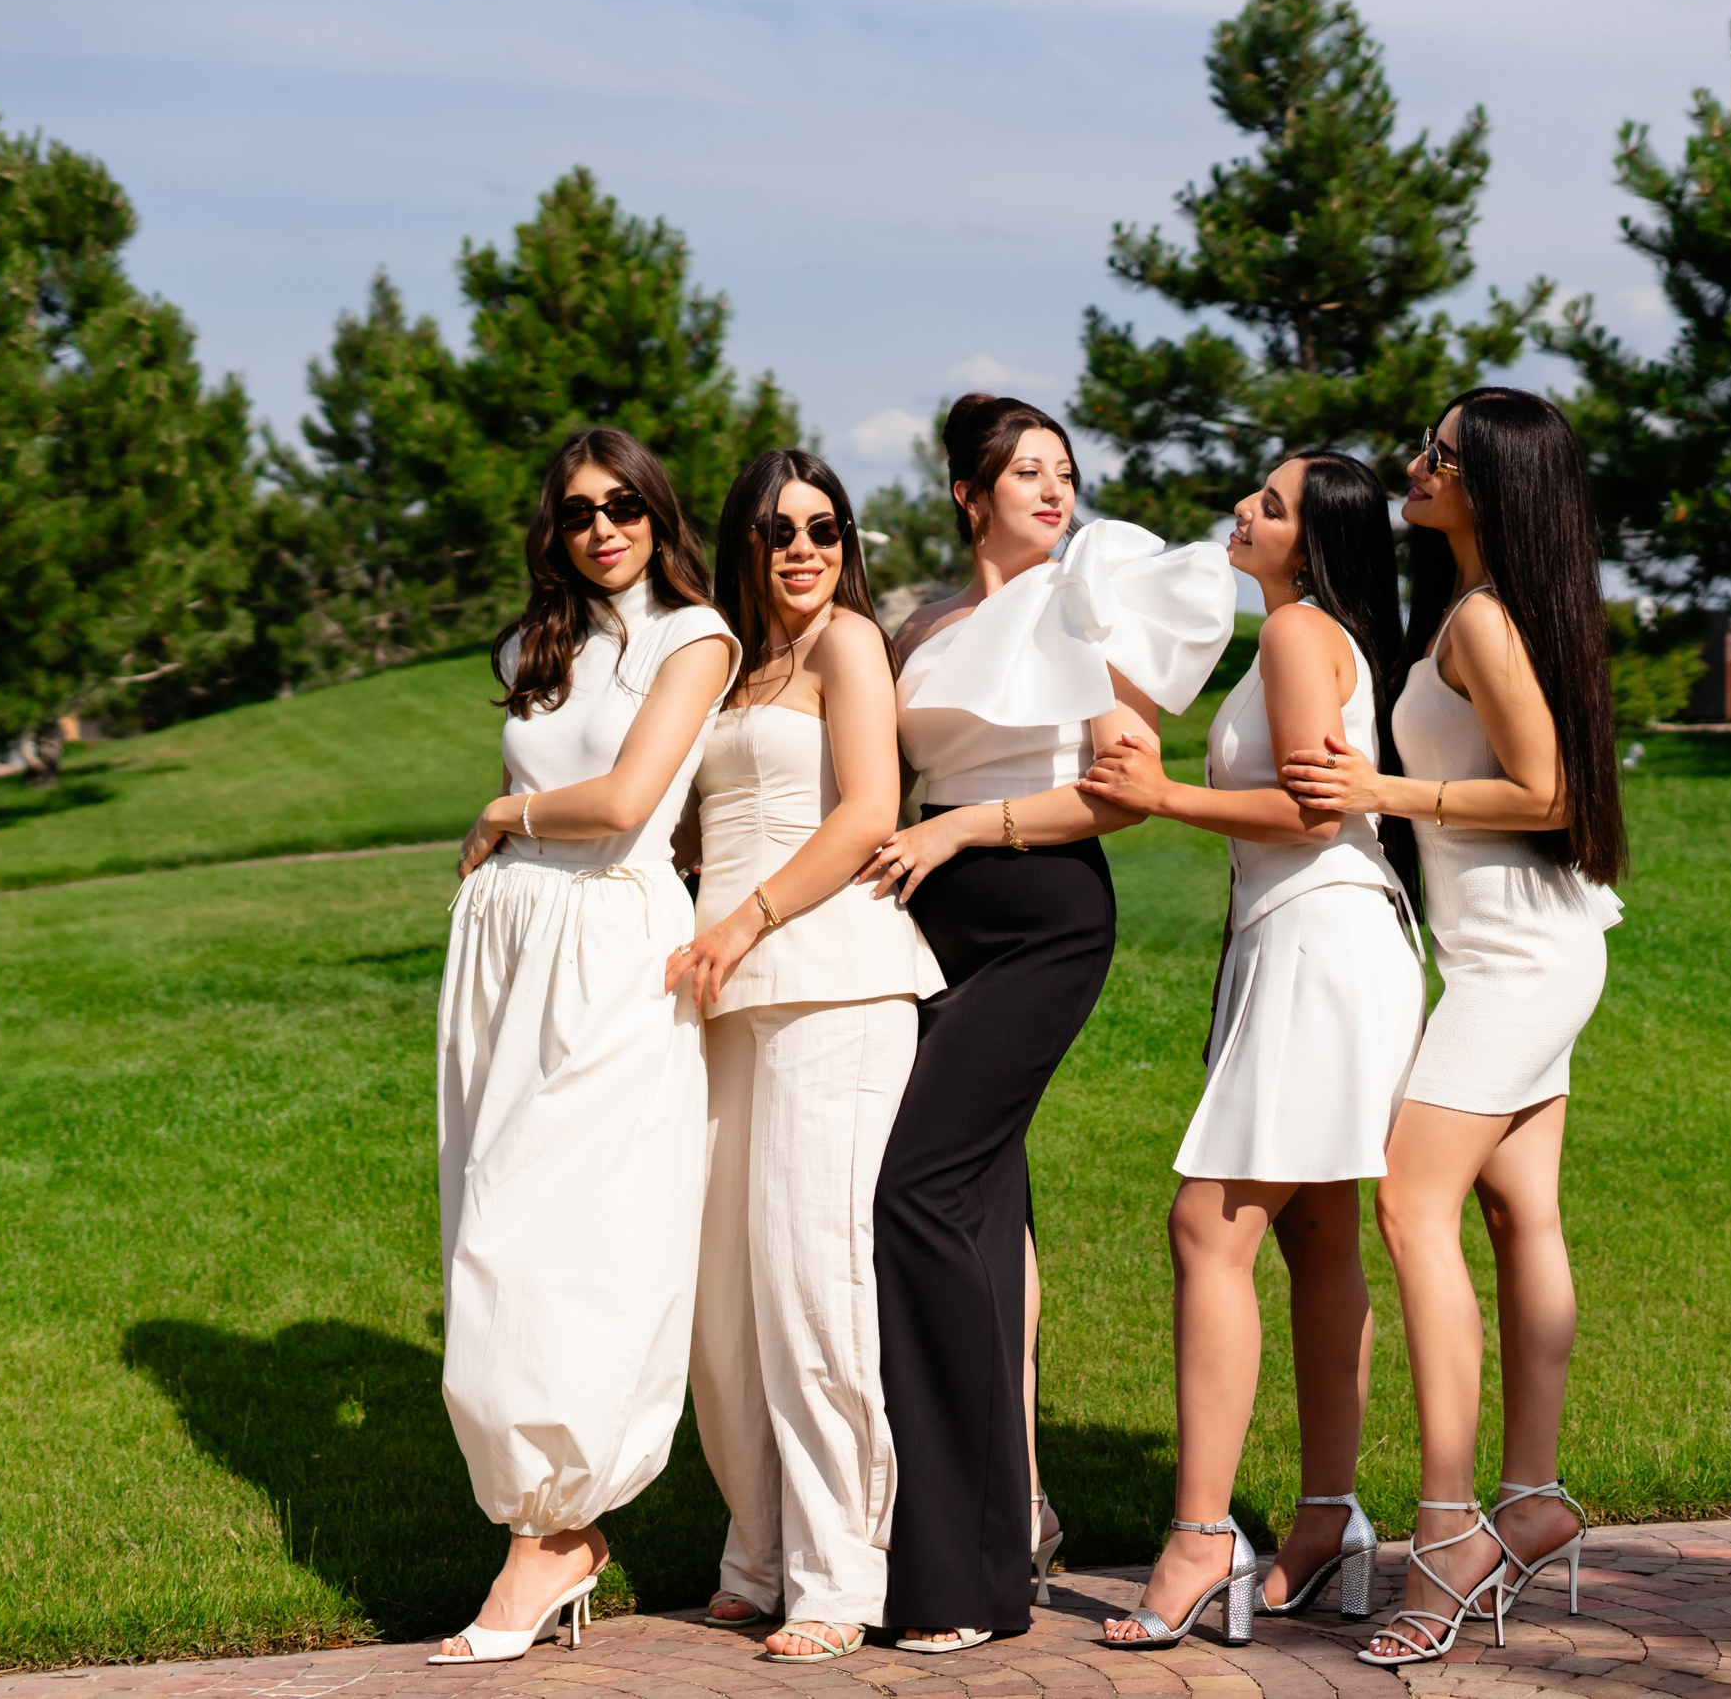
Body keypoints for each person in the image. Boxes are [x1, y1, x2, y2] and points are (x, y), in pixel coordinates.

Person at [860, 394, 1234, 1651]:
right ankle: (1008, 1519)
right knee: (982, 1209)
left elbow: (1124, 792)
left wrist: (967, 827)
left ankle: (957, 1564)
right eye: (1026, 472)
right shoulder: (920, 623)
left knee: (915, 1193)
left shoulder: (1087, 599)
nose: (1054, 490)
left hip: (1041, 920)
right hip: (926, 924)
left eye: (1063, 471)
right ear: (968, 496)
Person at [1280, 388, 1625, 1669]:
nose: (1415, 466)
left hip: (1519, 959)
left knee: (1407, 1203)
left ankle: (1448, 1529)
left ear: (1494, 484)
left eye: (1441, 455)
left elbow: (1548, 789)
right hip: (1522, 945)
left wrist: (1387, 787)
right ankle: (1530, 1498)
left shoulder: (1482, 619)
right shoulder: (1477, 608)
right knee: (1518, 1211)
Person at [1079, 452, 1424, 1650]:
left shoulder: (1291, 634)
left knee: (1206, 1226)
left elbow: (1311, 811)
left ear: (1311, 542)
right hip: (1314, 941)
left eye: (1269, 506)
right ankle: (1328, 1519)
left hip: (1322, 940)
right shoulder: (1313, 635)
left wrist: (1165, 795)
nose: (1241, 509)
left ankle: (1199, 1536)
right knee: (1317, 1232)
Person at [431, 428, 739, 1666]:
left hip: (610, 943)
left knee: (547, 1230)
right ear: (552, 530)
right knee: (481, 1222)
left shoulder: (693, 637)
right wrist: (510, 857)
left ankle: (555, 1529)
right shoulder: (533, 648)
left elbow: (623, 802)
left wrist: (502, 811)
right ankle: (547, 1533)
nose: (602, 528)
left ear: (658, 515)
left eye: (623, 506)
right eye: (576, 512)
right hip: (509, 941)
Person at [672, 450, 944, 1665]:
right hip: (721, 1000)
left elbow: (868, 810)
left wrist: (743, 920)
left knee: (809, 1281)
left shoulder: (847, 642)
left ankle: (839, 1572)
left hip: (833, 982)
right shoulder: (729, 663)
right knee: (722, 1302)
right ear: (743, 540)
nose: (803, 550)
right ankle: (758, 1547)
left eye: (824, 528)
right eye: (779, 530)